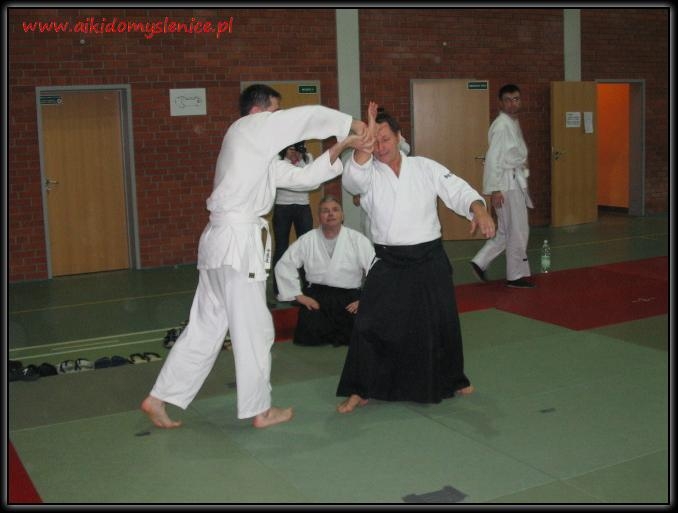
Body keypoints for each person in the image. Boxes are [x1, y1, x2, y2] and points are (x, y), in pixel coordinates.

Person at [141, 84, 371, 429]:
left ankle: (159, 398)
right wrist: (350, 123)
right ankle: (259, 410)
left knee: (206, 327)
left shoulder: (254, 153)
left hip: (221, 244)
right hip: (238, 244)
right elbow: (306, 118)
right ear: (257, 111)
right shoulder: (249, 128)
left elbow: (305, 178)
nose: (277, 119)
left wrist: (346, 144)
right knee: (256, 330)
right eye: (274, 111)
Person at [336, 102, 495, 413]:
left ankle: (453, 379)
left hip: (429, 257)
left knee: (441, 321)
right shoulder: (367, 173)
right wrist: (365, 141)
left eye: (385, 139)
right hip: (389, 260)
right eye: (374, 141)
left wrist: (479, 210)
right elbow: (351, 181)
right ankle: (361, 388)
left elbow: (458, 190)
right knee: (369, 323)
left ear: (399, 137)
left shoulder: (424, 167)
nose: (380, 147)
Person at [275, 195, 375, 347]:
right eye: (325, 211)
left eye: (335, 210)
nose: (330, 214)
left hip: (348, 299)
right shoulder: (307, 239)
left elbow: (375, 269)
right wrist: (299, 296)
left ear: (342, 215)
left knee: (357, 338)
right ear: (319, 217)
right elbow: (284, 265)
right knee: (308, 338)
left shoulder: (357, 239)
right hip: (317, 297)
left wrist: (364, 299)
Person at [470, 84, 535, 288]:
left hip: (513, 181)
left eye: (516, 99)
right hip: (507, 186)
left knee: (507, 231)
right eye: (508, 100)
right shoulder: (501, 125)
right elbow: (493, 158)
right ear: (501, 103)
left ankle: (480, 262)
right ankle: (515, 276)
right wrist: (495, 189)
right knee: (518, 230)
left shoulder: (511, 123)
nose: (512, 103)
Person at [271, 141, 315, 295]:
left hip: (303, 206)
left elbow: (311, 182)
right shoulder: (278, 160)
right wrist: (290, 163)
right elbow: (280, 182)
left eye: (297, 149)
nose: (295, 152)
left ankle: (309, 287)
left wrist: (300, 160)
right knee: (281, 248)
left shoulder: (308, 158)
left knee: (306, 247)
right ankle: (279, 289)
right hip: (282, 206)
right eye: (291, 149)